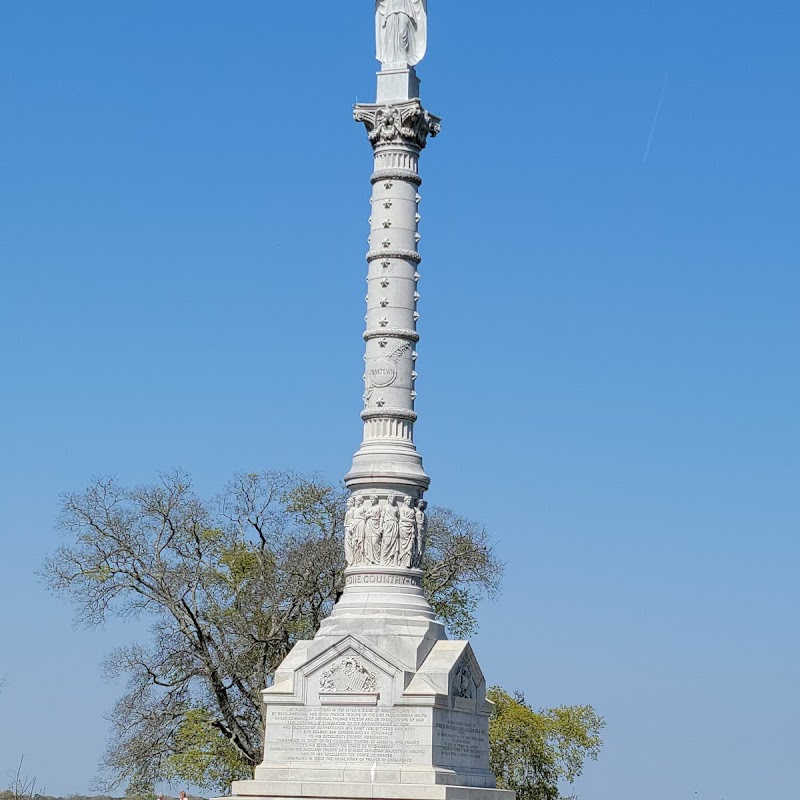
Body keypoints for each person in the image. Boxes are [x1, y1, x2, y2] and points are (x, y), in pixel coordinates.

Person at [380, 495, 401, 566]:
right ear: (388, 499)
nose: (392, 500)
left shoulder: (396, 508)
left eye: (393, 499)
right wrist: (381, 526)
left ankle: (393, 561)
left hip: (394, 525)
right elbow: (382, 517)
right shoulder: (385, 507)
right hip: (387, 525)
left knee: (394, 542)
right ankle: (383, 560)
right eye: (391, 498)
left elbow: (399, 518)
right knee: (386, 541)